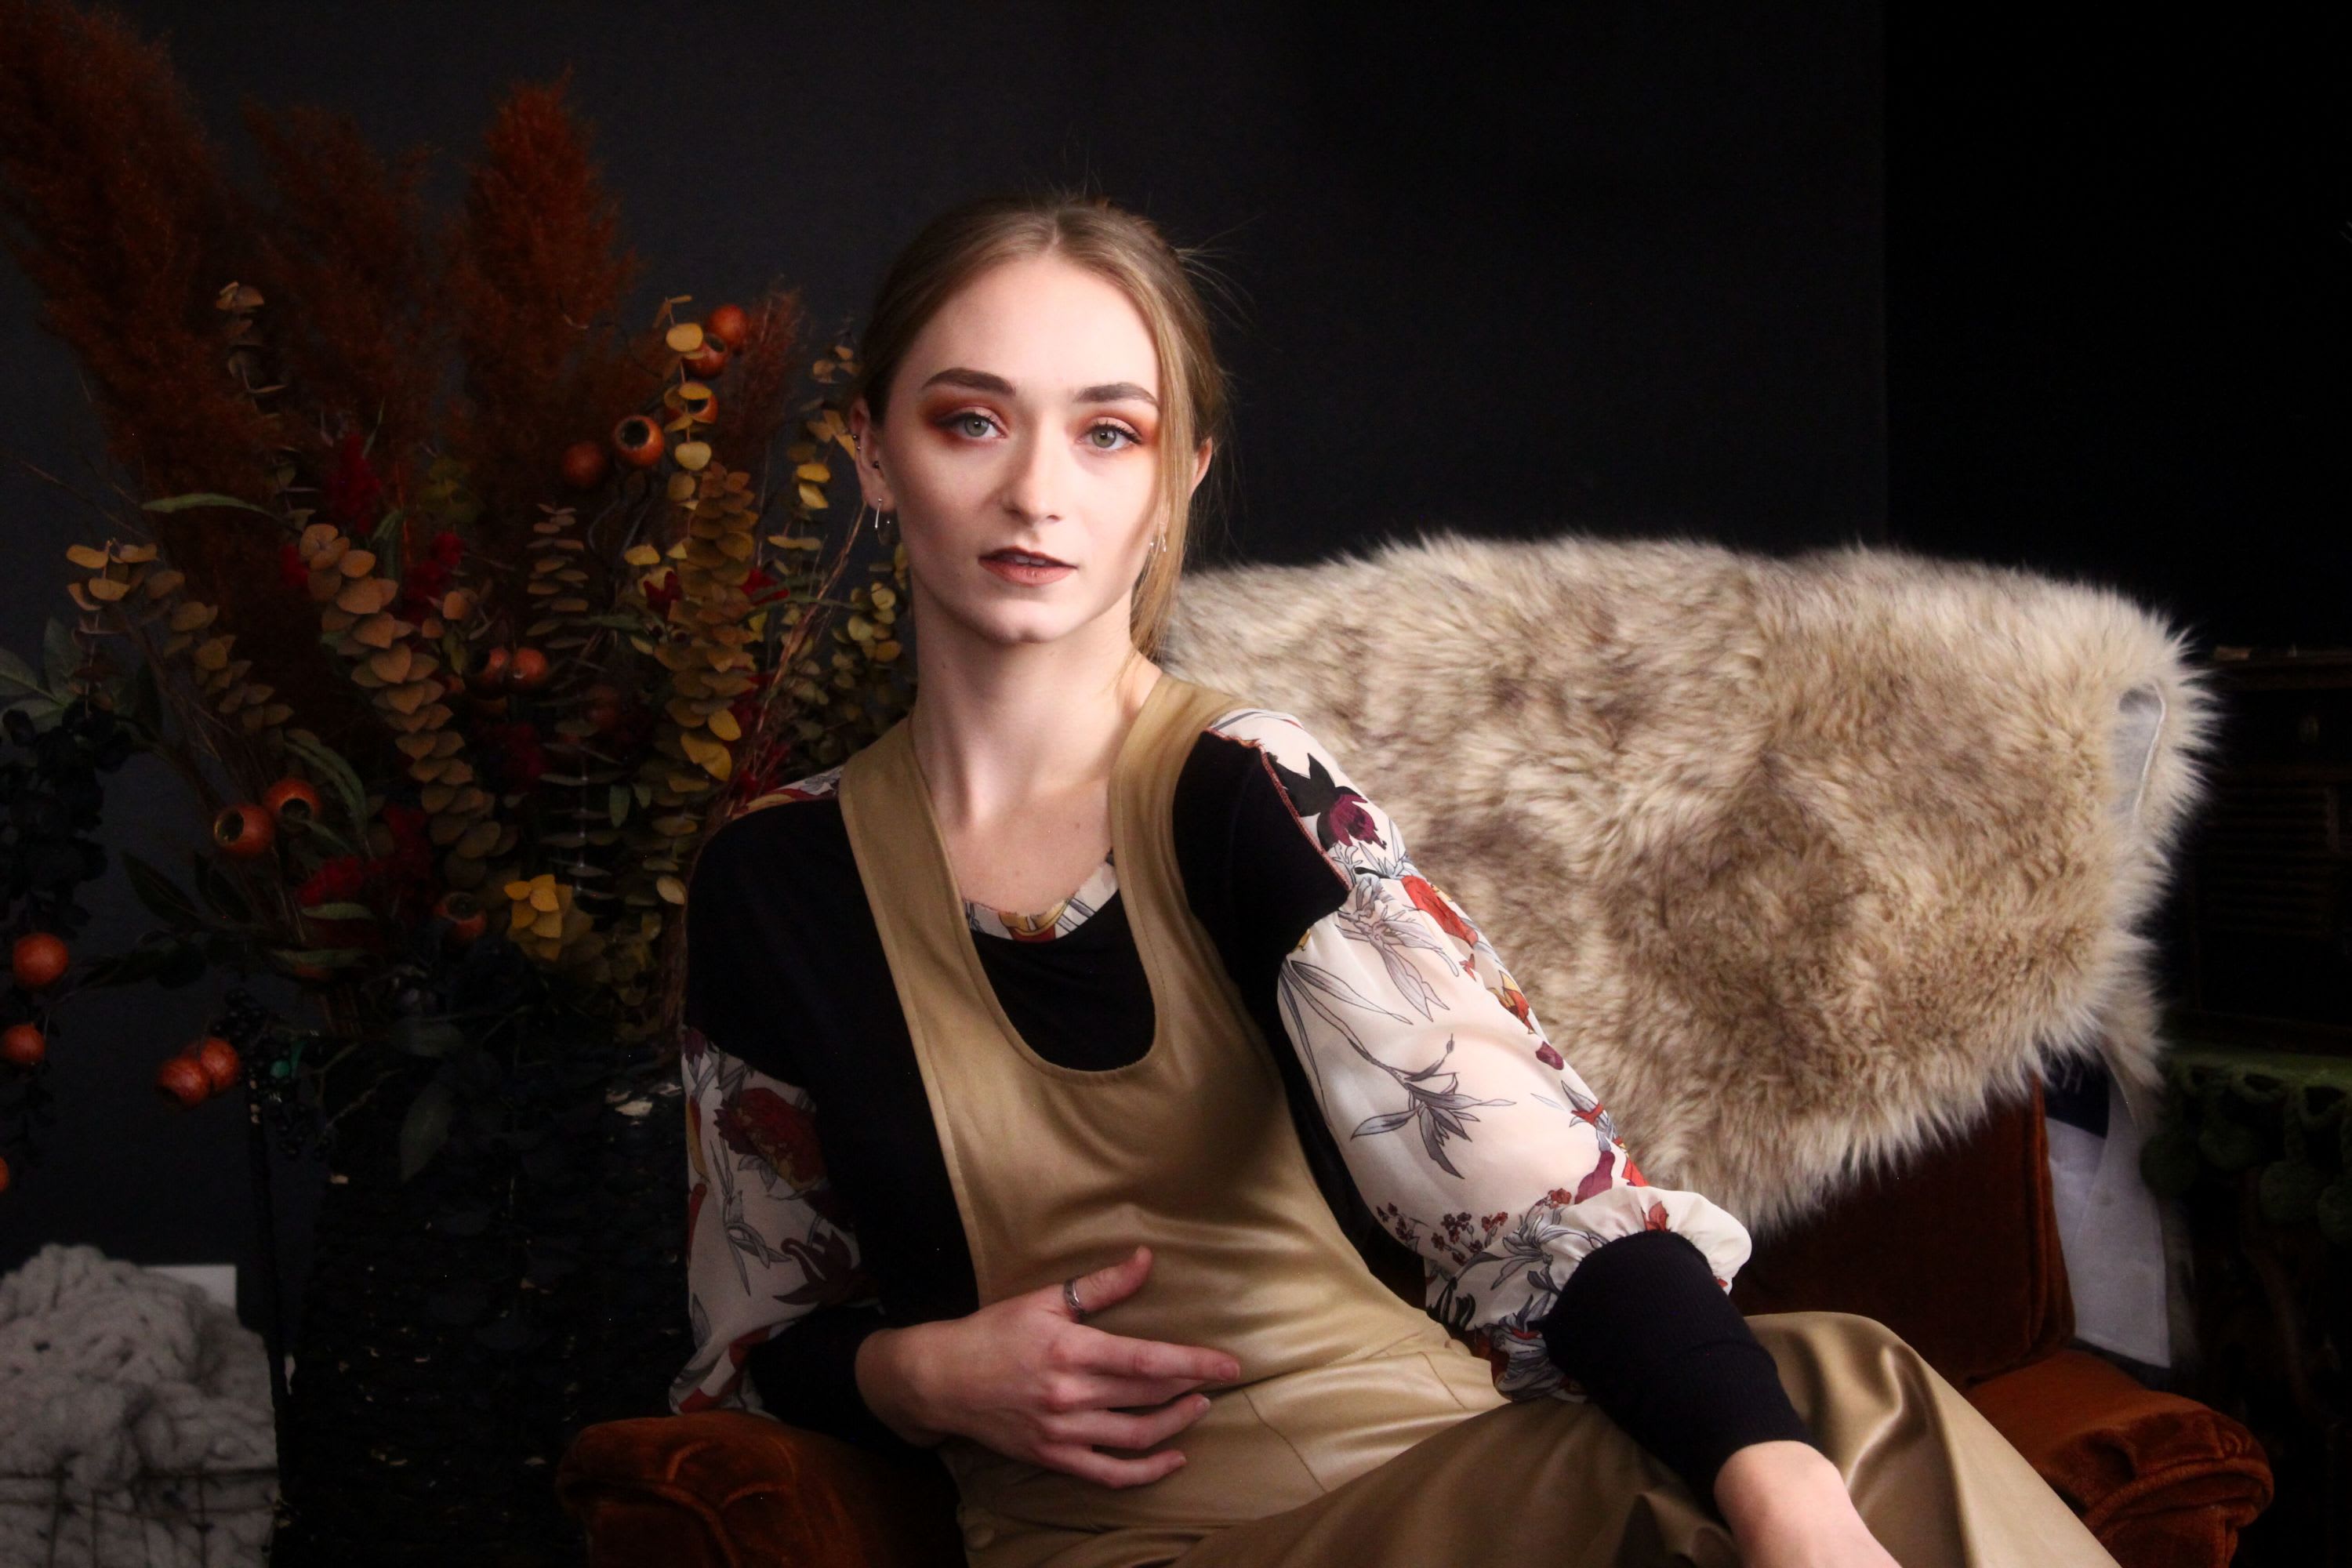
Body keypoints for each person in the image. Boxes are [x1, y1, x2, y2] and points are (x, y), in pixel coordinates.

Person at [670, 189, 2121, 1568]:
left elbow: (1545, 1207)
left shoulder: (1245, 790)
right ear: (873, 451)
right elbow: (753, 1342)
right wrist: (914, 1376)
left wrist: (1787, 1495)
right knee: (1827, 1415)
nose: (1039, 490)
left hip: (1430, 1489)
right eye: (970, 419)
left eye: (1109, 433)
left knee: (1828, 1402)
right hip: (1125, 1543)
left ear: (1180, 480)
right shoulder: (775, 882)